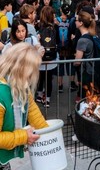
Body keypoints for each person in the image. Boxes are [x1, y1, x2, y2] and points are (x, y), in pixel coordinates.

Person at [0, 42, 48, 170]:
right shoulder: (1, 93)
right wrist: (24, 136)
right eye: (32, 70)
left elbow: (34, 114)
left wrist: (49, 134)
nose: (34, 75)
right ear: (20, 68)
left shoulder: (21, 86)